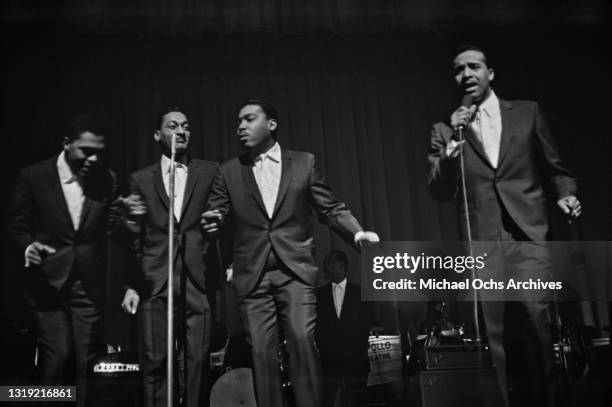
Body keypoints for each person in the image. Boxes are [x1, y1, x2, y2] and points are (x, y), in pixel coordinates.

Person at [427, 45, 581, 406]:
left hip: (527, 234)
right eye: (458, 69)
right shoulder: (445, 129)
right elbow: (438, 188)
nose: (466, 73)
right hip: (484, 243)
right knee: (496, 338)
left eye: (474, 66)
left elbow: (556, 168)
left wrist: (566, 194)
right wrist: (453, 145)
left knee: (536, 328)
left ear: (490, 73)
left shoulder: (527, 113)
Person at [202, 99, 379, 407]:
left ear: (271, 124)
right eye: (238, 121)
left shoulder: (304, 162)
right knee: (260, 352)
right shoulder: (228, 171)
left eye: (249, 119)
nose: (240, 126)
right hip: (253, 276)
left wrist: (357, 232)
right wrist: (213, 224)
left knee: (300, 340)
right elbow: (218, 216)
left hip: (294, 271)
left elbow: (331, 207)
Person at [8, 114, 116, 407]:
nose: (94, 158)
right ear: (66, 144)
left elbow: (111, 227)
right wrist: (28, 246)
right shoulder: (33, 177)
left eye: (99, 152)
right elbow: (17, 226)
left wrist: (130, 218)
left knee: (85, 363)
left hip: (87, 285)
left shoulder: (106, 180)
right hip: (47, 282)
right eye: (86, 150)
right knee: (58, 355)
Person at [116, 107, 219, 407]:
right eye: (173, 126)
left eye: (186, 126)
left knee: (198, 361)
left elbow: (223, 221)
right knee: (154, 361)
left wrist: (228, 264)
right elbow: (134, 239)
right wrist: (131, 284)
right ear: (158, 135)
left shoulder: (209, 171)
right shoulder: (141, 178)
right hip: (154, 279)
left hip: (197, 279)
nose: (181, 131)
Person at [316, 250, 371, 407]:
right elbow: (317, 327)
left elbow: (365, 325)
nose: (325, 266)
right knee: (328, 400)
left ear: (341, 265)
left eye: (329, 262)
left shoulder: (361, 292)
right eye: (325, 263)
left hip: (356, 359)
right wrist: (324, 348)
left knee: (356, 401)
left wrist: (357, 350)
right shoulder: (319, 295)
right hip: (330, 360)